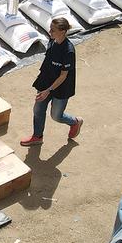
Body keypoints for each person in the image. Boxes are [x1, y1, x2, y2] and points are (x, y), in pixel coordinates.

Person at [20, 17, 82, 147]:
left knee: (56, 116)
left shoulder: (68, 51)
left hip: (61, 87)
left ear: (63, 31)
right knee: (38, 109)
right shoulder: (52, 41)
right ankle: (37, 136)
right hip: (46, 82)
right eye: (50, 29)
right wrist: (44, 87)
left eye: (53, 30)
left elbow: (63, 76)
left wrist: (48, 90)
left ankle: (75, 122)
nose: (49, 32)